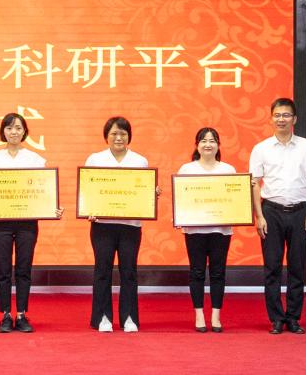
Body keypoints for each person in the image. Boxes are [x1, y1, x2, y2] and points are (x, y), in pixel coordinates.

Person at [0, 112, 63, 334]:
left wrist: (53, 207)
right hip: (1, 222)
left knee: (24, 269)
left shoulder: (36, 159)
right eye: (9, 128)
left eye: (18, 128)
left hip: (27, 222)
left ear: (25, 131)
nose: (13, 132)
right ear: (3, 132)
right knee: (3, 270)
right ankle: (6, 314)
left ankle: (22, 314)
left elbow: (43, 191)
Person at [250, 97, 306, 335]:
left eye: (286, 115)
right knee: (271, 267)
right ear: (271, 119)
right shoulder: (261, 148)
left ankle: (293, 318)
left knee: (296, 267)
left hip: (300, 212)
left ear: (295, 119)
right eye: (277, 115)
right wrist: (259, 216)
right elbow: (254, 184)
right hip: (271, 212)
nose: (281, 119)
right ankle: (276, 319)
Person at [84, 116, 159, 333]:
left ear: (129, 136)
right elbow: (87, 190)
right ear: (106, 136)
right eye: (114, 133)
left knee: (129, 271)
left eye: (123, 134)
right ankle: (102, 318)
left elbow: (144, 192)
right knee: (102, 271)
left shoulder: (140, 161)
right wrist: (88, 209)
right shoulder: (95, 159)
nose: (119, 138)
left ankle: (129, 318)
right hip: (102, 225)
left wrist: (151, 194)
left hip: (130, 225)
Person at [176, 127, 235, 333]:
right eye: (203, 141)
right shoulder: (187, 170)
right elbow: (180, 199)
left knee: (218, 272)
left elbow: (234, 200)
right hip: (195, 230)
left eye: (212, 141)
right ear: (197, 145)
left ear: (218, 145)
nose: (208, 144)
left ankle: (216, 316)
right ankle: (199, 314)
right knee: (197, 272)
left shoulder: (228, 170)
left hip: (221, 229)